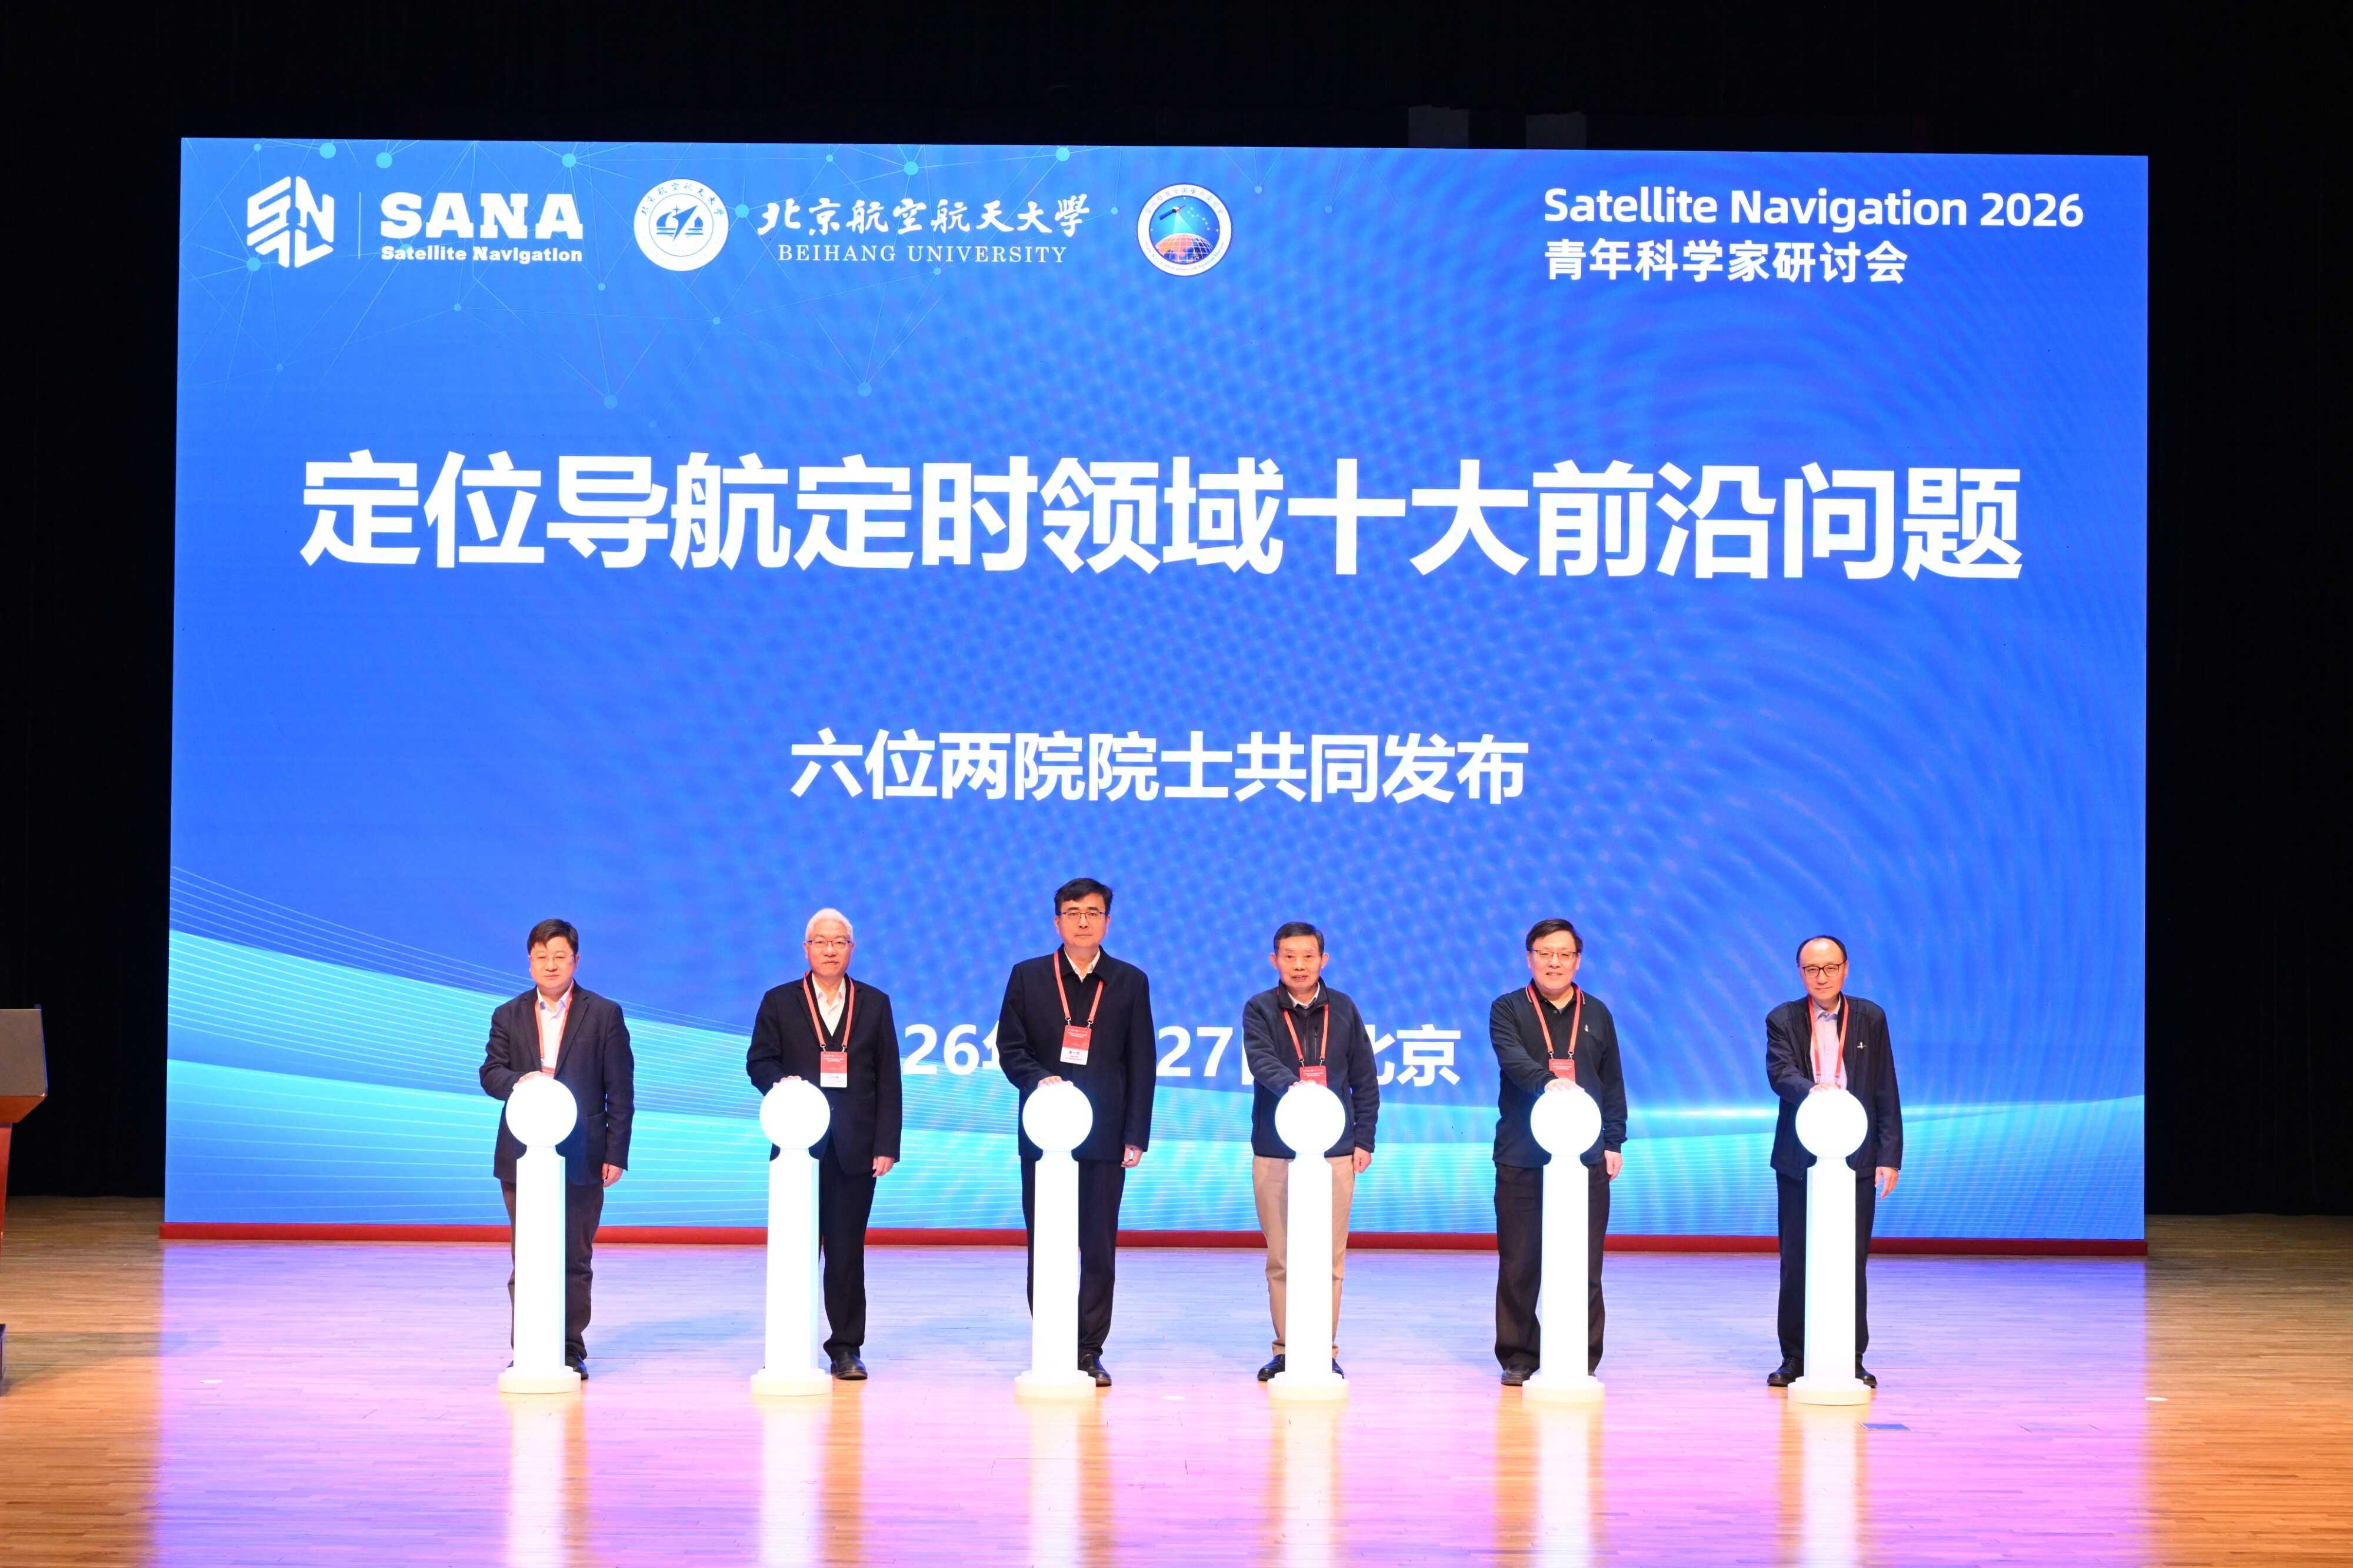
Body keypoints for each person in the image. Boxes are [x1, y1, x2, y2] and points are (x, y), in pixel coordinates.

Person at [995, 877, 1157, 1387]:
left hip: (1106, 1135)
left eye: (1092, 912)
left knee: (1098, 1246)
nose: (1083, 921)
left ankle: (1088, 1349)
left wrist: (1136, 1133)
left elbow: (1142, 1062)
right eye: (1072, 912)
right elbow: (1010, 1047)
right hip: (1046, 1135)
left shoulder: (1130, 981)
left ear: (1108, 921)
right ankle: (1052, 1340)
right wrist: (1038, 1079)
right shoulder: (1028, 976)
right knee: (1046, 1241)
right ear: (1057, 921)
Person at [746, 908, 904, 1380]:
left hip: (857, 1150)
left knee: (846, 1254)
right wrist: (781, 1083)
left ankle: (846, 1348)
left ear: (851, 949)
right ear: (806, 949)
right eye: (821, 941)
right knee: (794, 1252)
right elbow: (759, 1061)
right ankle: (789, 1346)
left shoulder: (874, 1003)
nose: (830, 950)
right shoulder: (779, 1001)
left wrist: (886, 1144)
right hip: (797, 1150)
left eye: (839, 942)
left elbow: (889, 1078)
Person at [479, 918, 634, 1378]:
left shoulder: (604, 1014)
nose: (551, 965)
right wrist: (520, 1080)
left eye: (560, 956)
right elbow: (490, 1074)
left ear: (576, 961)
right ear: (530, 962)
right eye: (542, 957)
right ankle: (529, 1346)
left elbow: (620, 1090)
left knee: (574, 1258)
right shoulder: (508, 1014)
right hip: (522, 1156)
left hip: (584, 1153)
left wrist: (616, 1153)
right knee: (528, 1256)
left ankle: (569, 1348)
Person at [1489, 918, 1627, 1386]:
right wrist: (1550, 1082)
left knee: (1584, 1263)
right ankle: (1520, 1355)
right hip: (1522, 1156)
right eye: (1545, 953)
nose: (1554, 962)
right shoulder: (1508, 1009)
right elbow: (1513, 1061)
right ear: (1529, 958)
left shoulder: (1597, 1013)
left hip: (1586, 1158)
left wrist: (1613, 1141)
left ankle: (1580, 1355)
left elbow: (1612, 1082)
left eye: (1564, 954)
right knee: (1520, 1263)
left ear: (1577, 961)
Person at [1241, 921, 1380, 1382]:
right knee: (1282, 1257)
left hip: (1335, 1152)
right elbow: (1261, 1061)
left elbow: (1364, 1077)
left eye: (1308, 956)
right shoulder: (1260, 1008)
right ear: (1274, 961)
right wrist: (1297, 1088)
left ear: (1324, 960)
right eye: (1289, 956)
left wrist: (1364, 1139)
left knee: (1328, 1259)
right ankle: (1287, 1349)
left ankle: (1321, 1348)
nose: (1299, 965)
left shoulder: (1344, 1008)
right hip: (1276, 1150)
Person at [1767, 935, 1904, 1389]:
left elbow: (1884, 1087)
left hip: (1855, 1159)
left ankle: (1851, 1357)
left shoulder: (1870, 1017)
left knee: (1850, 1261)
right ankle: (1795, 1356)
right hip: (1800, 1159)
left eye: (1829, 968)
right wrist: (1813, 1090)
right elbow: (1780, 1073)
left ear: (1845, 969)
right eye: (1811, 969)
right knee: (1797, 1260)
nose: (1821, 977)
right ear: (1800, 972)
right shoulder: (1783, 1018)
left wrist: (1889, 1155)